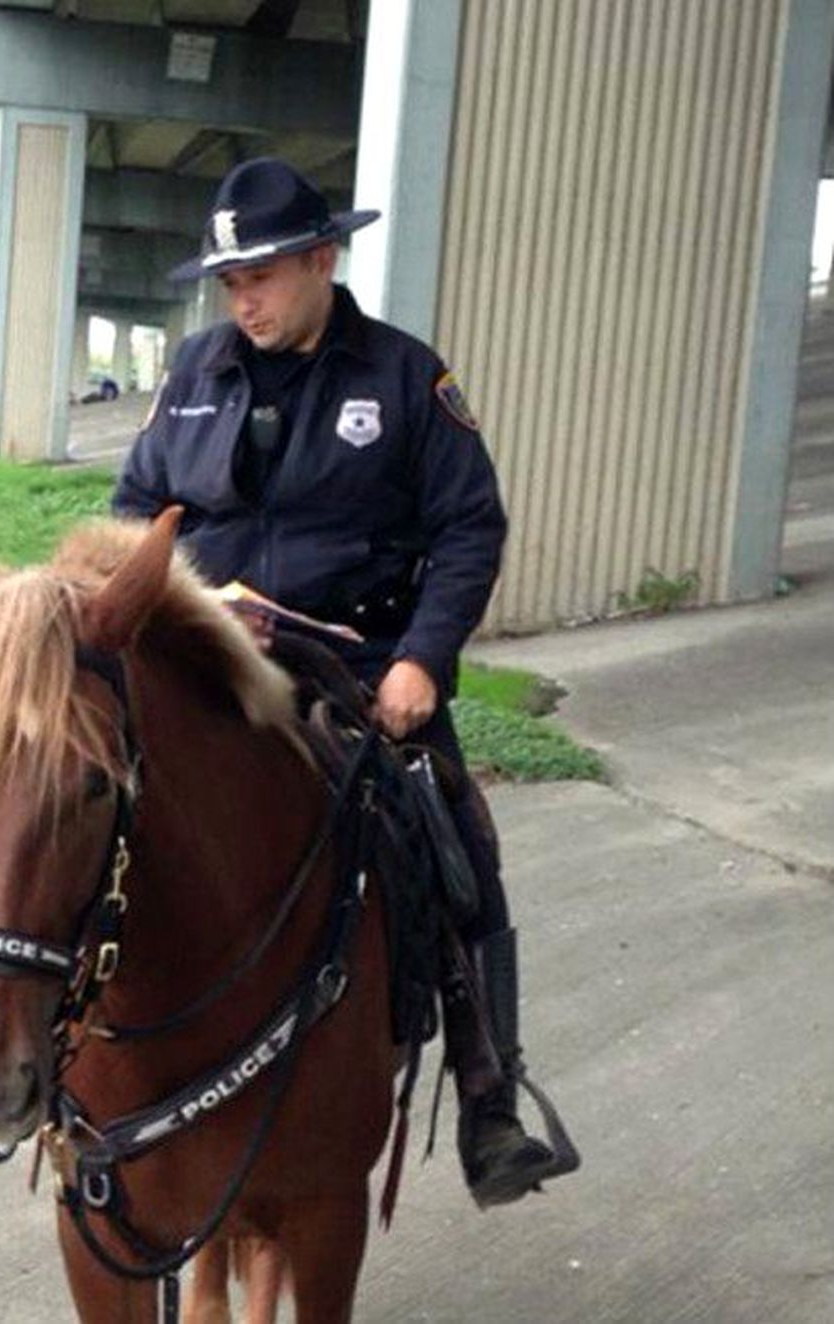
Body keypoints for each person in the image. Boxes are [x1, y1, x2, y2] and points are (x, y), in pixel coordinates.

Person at [112, 157, 578, 1207]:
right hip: (208, 664)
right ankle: (56, 1060)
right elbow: (133, 511)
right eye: (230, 283)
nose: (245, 300)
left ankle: (488, 1092)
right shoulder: (193, 374)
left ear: (324, 258)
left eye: (264, 276)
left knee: (456, 838)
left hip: (362, 669)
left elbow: (469, 527)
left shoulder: (408, 378)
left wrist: (422, 657)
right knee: (79, 805)